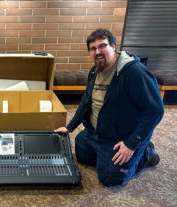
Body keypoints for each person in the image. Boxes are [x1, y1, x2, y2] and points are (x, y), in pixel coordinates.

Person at [55, 28, 164, 187]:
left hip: (122, 136)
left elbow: (156, 110)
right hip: (97, 133)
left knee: (110, 177)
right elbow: (86, 102)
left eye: (102, 46)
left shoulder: (134, 72)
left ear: (113, 47)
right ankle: (107, 154)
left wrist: (132, 143)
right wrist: (69, 127)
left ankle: (145, 153)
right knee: (81, 151)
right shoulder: (95, 70)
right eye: (93, 48)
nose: (97, 51)